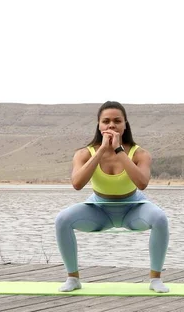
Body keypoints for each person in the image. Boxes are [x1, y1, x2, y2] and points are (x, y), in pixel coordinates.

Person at [54, 101, 170, 293]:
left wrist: (118, 150)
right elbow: (77, 184)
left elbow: (142, 183)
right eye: (106, 121)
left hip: (133, 209)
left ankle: (155, 279)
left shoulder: (140, 153)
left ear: (125, 125)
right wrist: (101, 150)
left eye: (117, 121)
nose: (111, 125)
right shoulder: (84, 153)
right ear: (99, 125)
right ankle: (73, 278)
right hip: (99, 210)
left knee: (159, 218)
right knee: (62, 219)